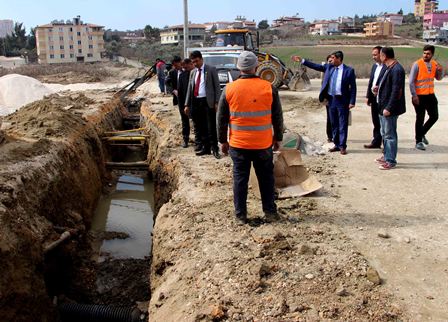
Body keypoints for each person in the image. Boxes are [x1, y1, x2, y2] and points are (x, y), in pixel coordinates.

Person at [217, 51, 284, 224]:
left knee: (240, 179)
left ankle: (240, 215)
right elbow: (277, 116)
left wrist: (222, 141)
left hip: (239, 145)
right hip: (263, 144)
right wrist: (278, 138)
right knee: (266, 179)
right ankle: (270, 212)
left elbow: (221, 119)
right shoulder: (269, 88)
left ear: (239, 68)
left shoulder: (229, 89)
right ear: (256, 67)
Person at [293, 51, 356, 154]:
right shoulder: (329, 67)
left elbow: (353, 88)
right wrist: (302, 60)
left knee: (342, 124)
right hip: (331, 99)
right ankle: (336, 144)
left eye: (333, 58)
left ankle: (342, 146)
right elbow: (315, 66)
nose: (330, 59)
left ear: (339, 59)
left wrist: (352, 101)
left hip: (342, 100)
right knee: (333, 123)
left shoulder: (349, 71)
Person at [184, 50, 221, 159]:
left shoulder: (211, 69)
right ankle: (206, 148)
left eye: (196, 61)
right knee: (200, 126)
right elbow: (189, 90)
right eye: (193, 62)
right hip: (196, 101)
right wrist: (187, 104)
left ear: (201, 59)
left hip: (207, 102)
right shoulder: (193, 72)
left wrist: (216, 102)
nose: (195, 64)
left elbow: (217, 88)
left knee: (211, 126)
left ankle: (215, 149)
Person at [376, 47, 406, 170]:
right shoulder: (389, 68)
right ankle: (386, 155)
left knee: (390, 135)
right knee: (384, 133)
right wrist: (378, 89)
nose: (379, 57)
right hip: (383, 106)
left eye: (380, 55)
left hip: (390, 109)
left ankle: (390, 160)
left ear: (385, 56)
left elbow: (396, 91)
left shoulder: (397, 69)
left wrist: (389, 107)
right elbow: (388, 86)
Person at [409, 45, 444, 151]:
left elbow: (439, 78)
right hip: (419, 96)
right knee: (420, 118)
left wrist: (440, 70)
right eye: (424, 53)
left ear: (432, 54)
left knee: (434, 116)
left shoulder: (434, 64)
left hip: (430, 95)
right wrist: (414, 95)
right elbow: (411, 82)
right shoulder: (417, 64)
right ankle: (418, 141)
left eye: (428, 53)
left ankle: (422, 133)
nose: (425, 55)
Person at [364, 46, 386, 149]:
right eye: (372, 55)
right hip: (374, 98)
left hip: (383, 99)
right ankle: (376, 141)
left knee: (384, 123)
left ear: (381, 54)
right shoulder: (375, 67)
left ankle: (386, 145)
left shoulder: (387, 67)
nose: (373, 57)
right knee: (376, 121)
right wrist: (368, 96)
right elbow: (371, 82)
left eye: (375, 55)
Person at [166, 56, 190, 148]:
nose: (176, 67)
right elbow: (167, 82)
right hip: (180, 99)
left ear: (181, 62)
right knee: (184, 120)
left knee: (195, 120)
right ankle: (185, 139)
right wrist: (173, 90)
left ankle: (199, 140)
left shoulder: (188, 71)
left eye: (177, 65)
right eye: (174, 66)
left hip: (190, 98)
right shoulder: (172, 72)